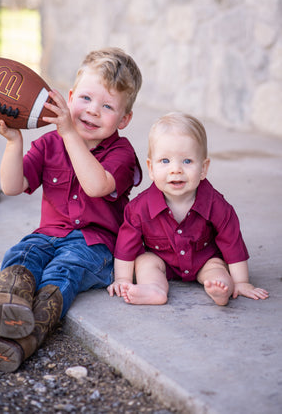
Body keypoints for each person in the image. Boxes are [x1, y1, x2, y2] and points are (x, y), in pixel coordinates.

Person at [0, 47, 142, 372]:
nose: (93, 111)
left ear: (124, 119)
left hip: (94, 247)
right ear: (69, 97)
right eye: (85, 98)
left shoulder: (121, 153)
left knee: (63, 271)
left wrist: (69, 132)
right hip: (47, 235)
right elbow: (11, 186)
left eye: (107, 106)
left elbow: (97, 186)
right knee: (22, 256)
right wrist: (14, 143)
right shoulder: (48, 144)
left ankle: (26, 338)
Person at [107, 112, 269, 306]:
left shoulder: (216, 205)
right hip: (162, 261)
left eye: (187, 161)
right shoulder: (139, 209)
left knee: (216, 268)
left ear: (203, 168)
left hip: (203, 259)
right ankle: (154, 288)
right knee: (145, 262)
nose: (176, 169)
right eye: (165, 161)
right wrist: (122, 279)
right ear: (150, 168)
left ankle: (221, 290)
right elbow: (126, 245)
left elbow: (231, 241)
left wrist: (242, 281)